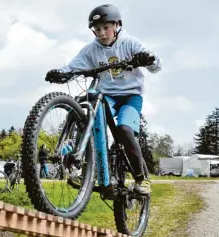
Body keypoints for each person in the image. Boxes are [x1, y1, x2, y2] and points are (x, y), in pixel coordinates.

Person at [45, 4, 161, 195]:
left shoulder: (129, 43)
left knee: (124, 129)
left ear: (117, 25)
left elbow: (156, 64)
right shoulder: (91, 50)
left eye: (106, 28)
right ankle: (85, 164)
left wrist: (148, 59)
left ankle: (142, 179)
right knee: (90, 113)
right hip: (107, 96)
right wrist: (60, 73)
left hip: (131, 96)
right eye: (97, 29)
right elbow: (72, 66)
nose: (101, 33)